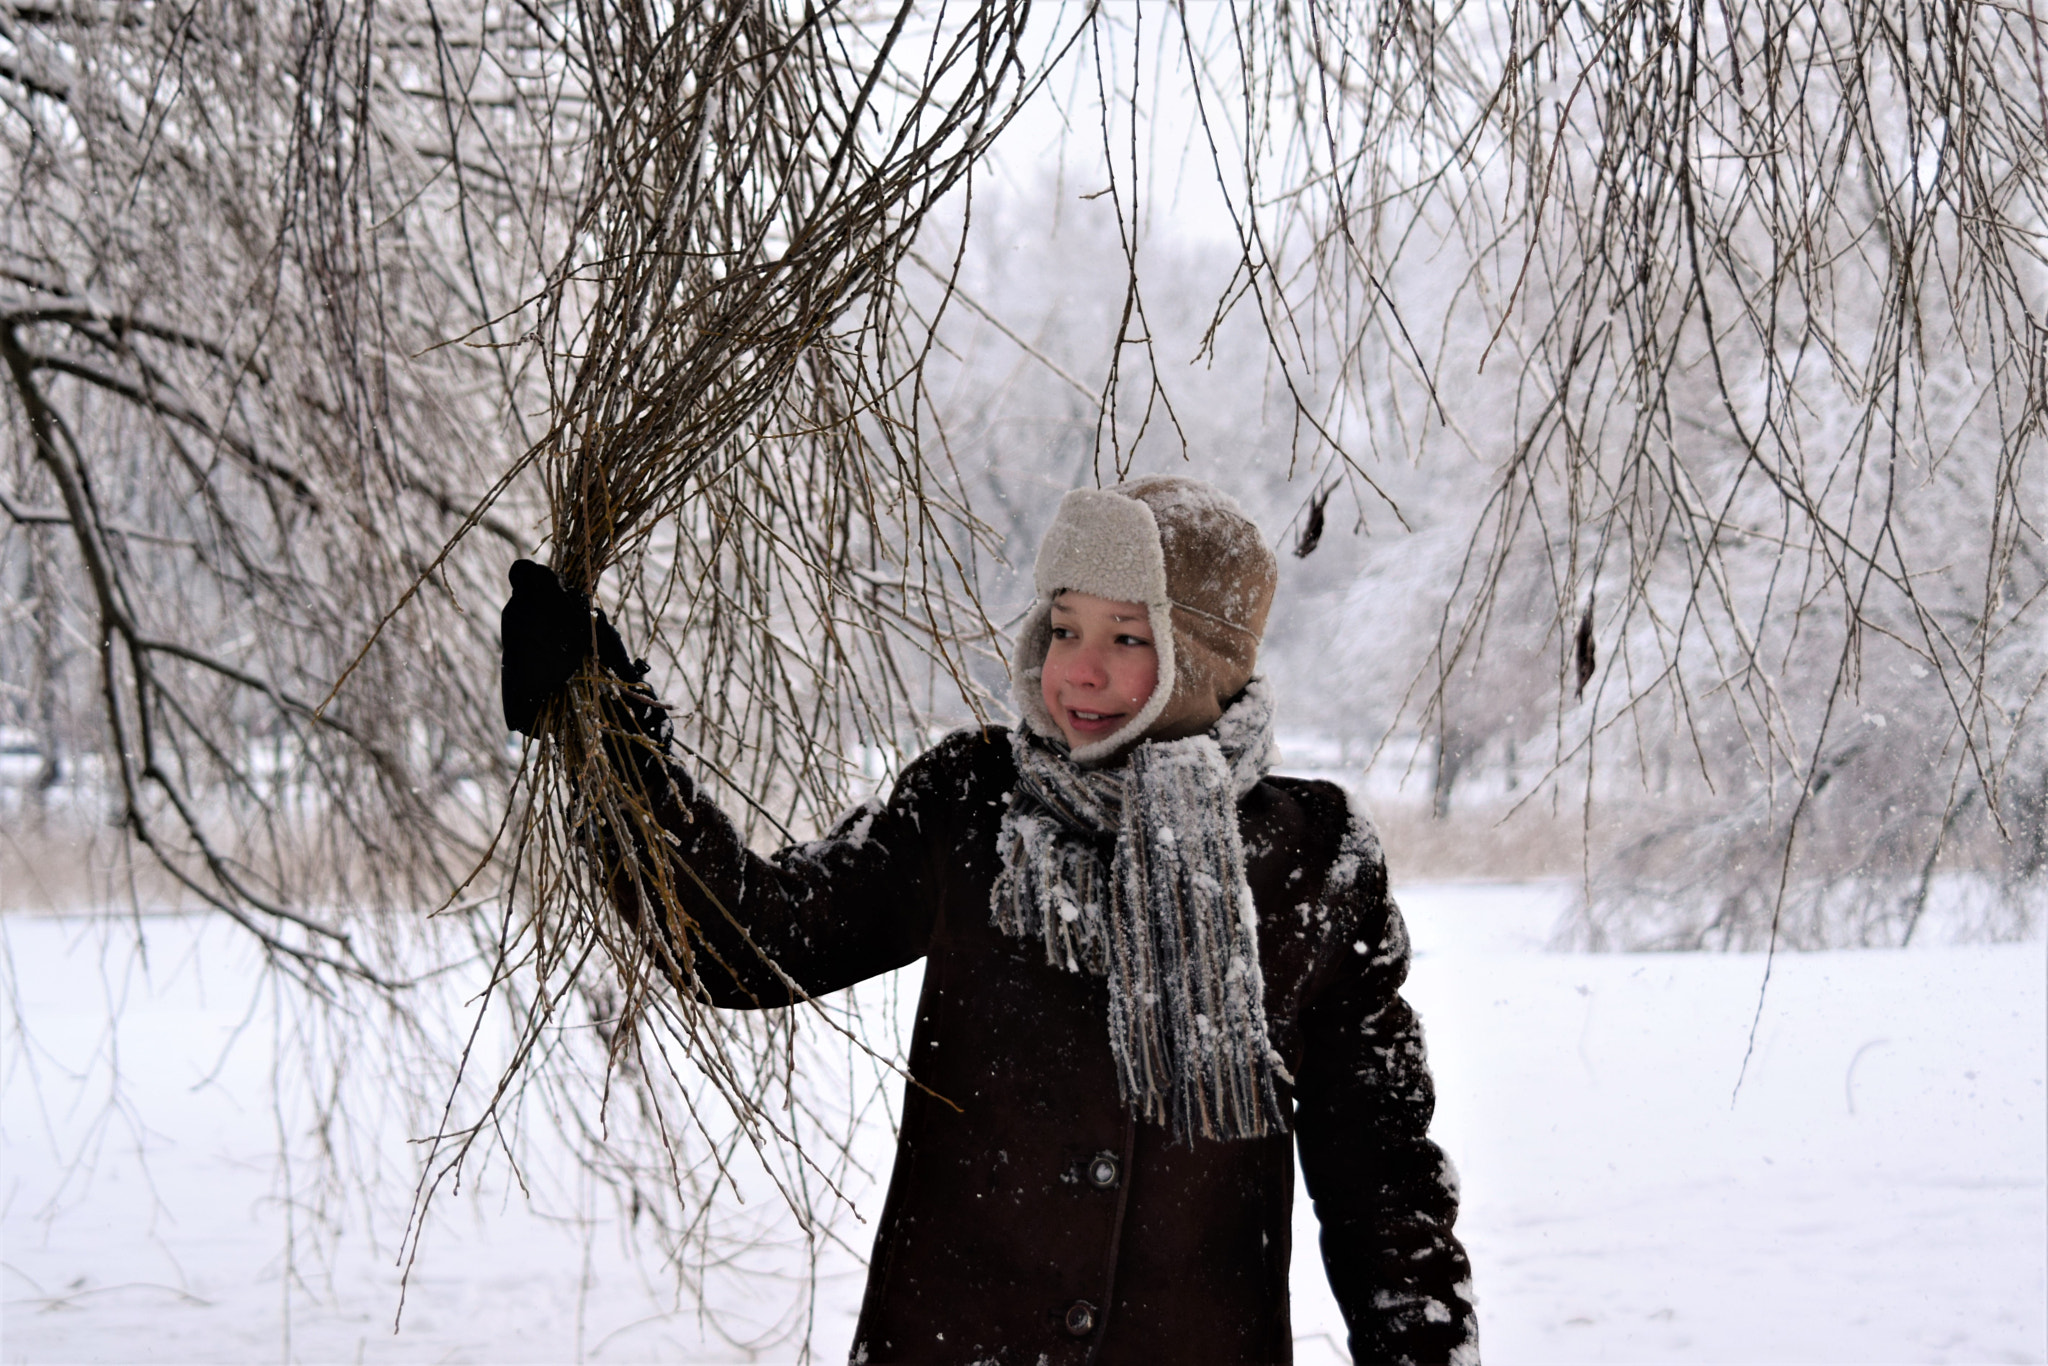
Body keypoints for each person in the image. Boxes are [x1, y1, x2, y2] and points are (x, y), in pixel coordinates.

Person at [502, 476, 1479, 1365]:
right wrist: (610, 737)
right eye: (1063, 628)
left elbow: (1382, 1181)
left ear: (1206, 658)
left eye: (1127, 637)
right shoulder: (972, 802)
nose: (1079, 671)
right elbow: (752, 942)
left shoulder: (1312, 858)